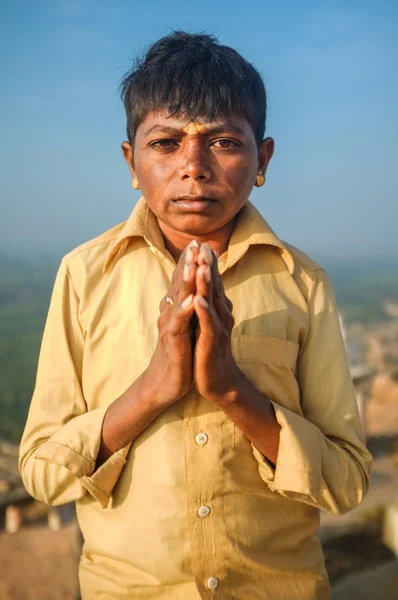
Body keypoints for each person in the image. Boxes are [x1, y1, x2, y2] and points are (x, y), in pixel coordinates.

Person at [19, 31, 372, 600]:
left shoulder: (303, 284)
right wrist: (154, 389)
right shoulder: (85, 276)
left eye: (224, 141)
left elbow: (348, 479)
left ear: (264, 158)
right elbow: (41, 471)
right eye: (165, 143)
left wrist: (234, 392)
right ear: (132, 162)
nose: (194, 166)